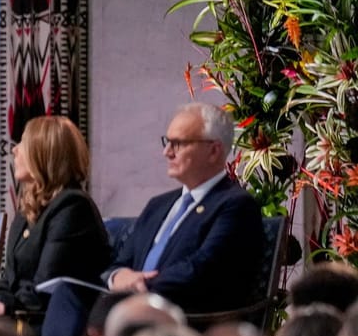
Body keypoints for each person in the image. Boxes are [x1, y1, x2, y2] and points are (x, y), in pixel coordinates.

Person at [0, 115, 110, 336]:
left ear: (44, 153)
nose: (14, 150)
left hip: (41, 325)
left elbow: (45, 287)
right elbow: (8, 284)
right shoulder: (27, 211)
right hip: (17, 317)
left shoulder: (73, 206)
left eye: (23, 143)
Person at [105, 103, 264, 307]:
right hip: (130, 307)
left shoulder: (236, 205)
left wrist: (140, 285)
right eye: (167, 142)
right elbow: (121, 262)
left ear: (213, 151)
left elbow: (201, 270)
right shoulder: (157, 205)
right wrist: (117, 277)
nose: (167, 152)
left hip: (182, 315)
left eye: (178, 143)